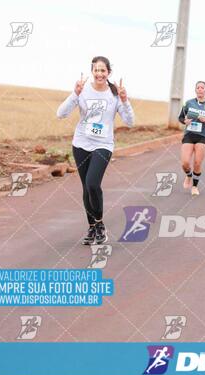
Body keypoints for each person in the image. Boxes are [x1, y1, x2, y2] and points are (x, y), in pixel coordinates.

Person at [57, 56, 134, 245]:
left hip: (103, 144)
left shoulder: (115, 95)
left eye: (103, 70)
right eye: (96, 70)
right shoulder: (83, 91)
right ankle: (92, 228)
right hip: (81, 143)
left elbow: (130, 122)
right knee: (86, 188)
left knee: (92, 184)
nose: (99, 74)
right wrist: (74, 93)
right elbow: (61, 114)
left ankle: (99, 225)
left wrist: (125, 100)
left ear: (109, 73)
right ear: (92, 72)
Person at [178, 81, 205, 196]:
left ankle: (195, 186)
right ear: (195, 90)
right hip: (189, 135)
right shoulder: (189, 103)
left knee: (197, 163)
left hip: (202, 137)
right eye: (198, 87)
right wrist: (184, 121)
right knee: (185, 163)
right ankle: (188, 175)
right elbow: (181, 117)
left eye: (202, 88)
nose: (200, 89)